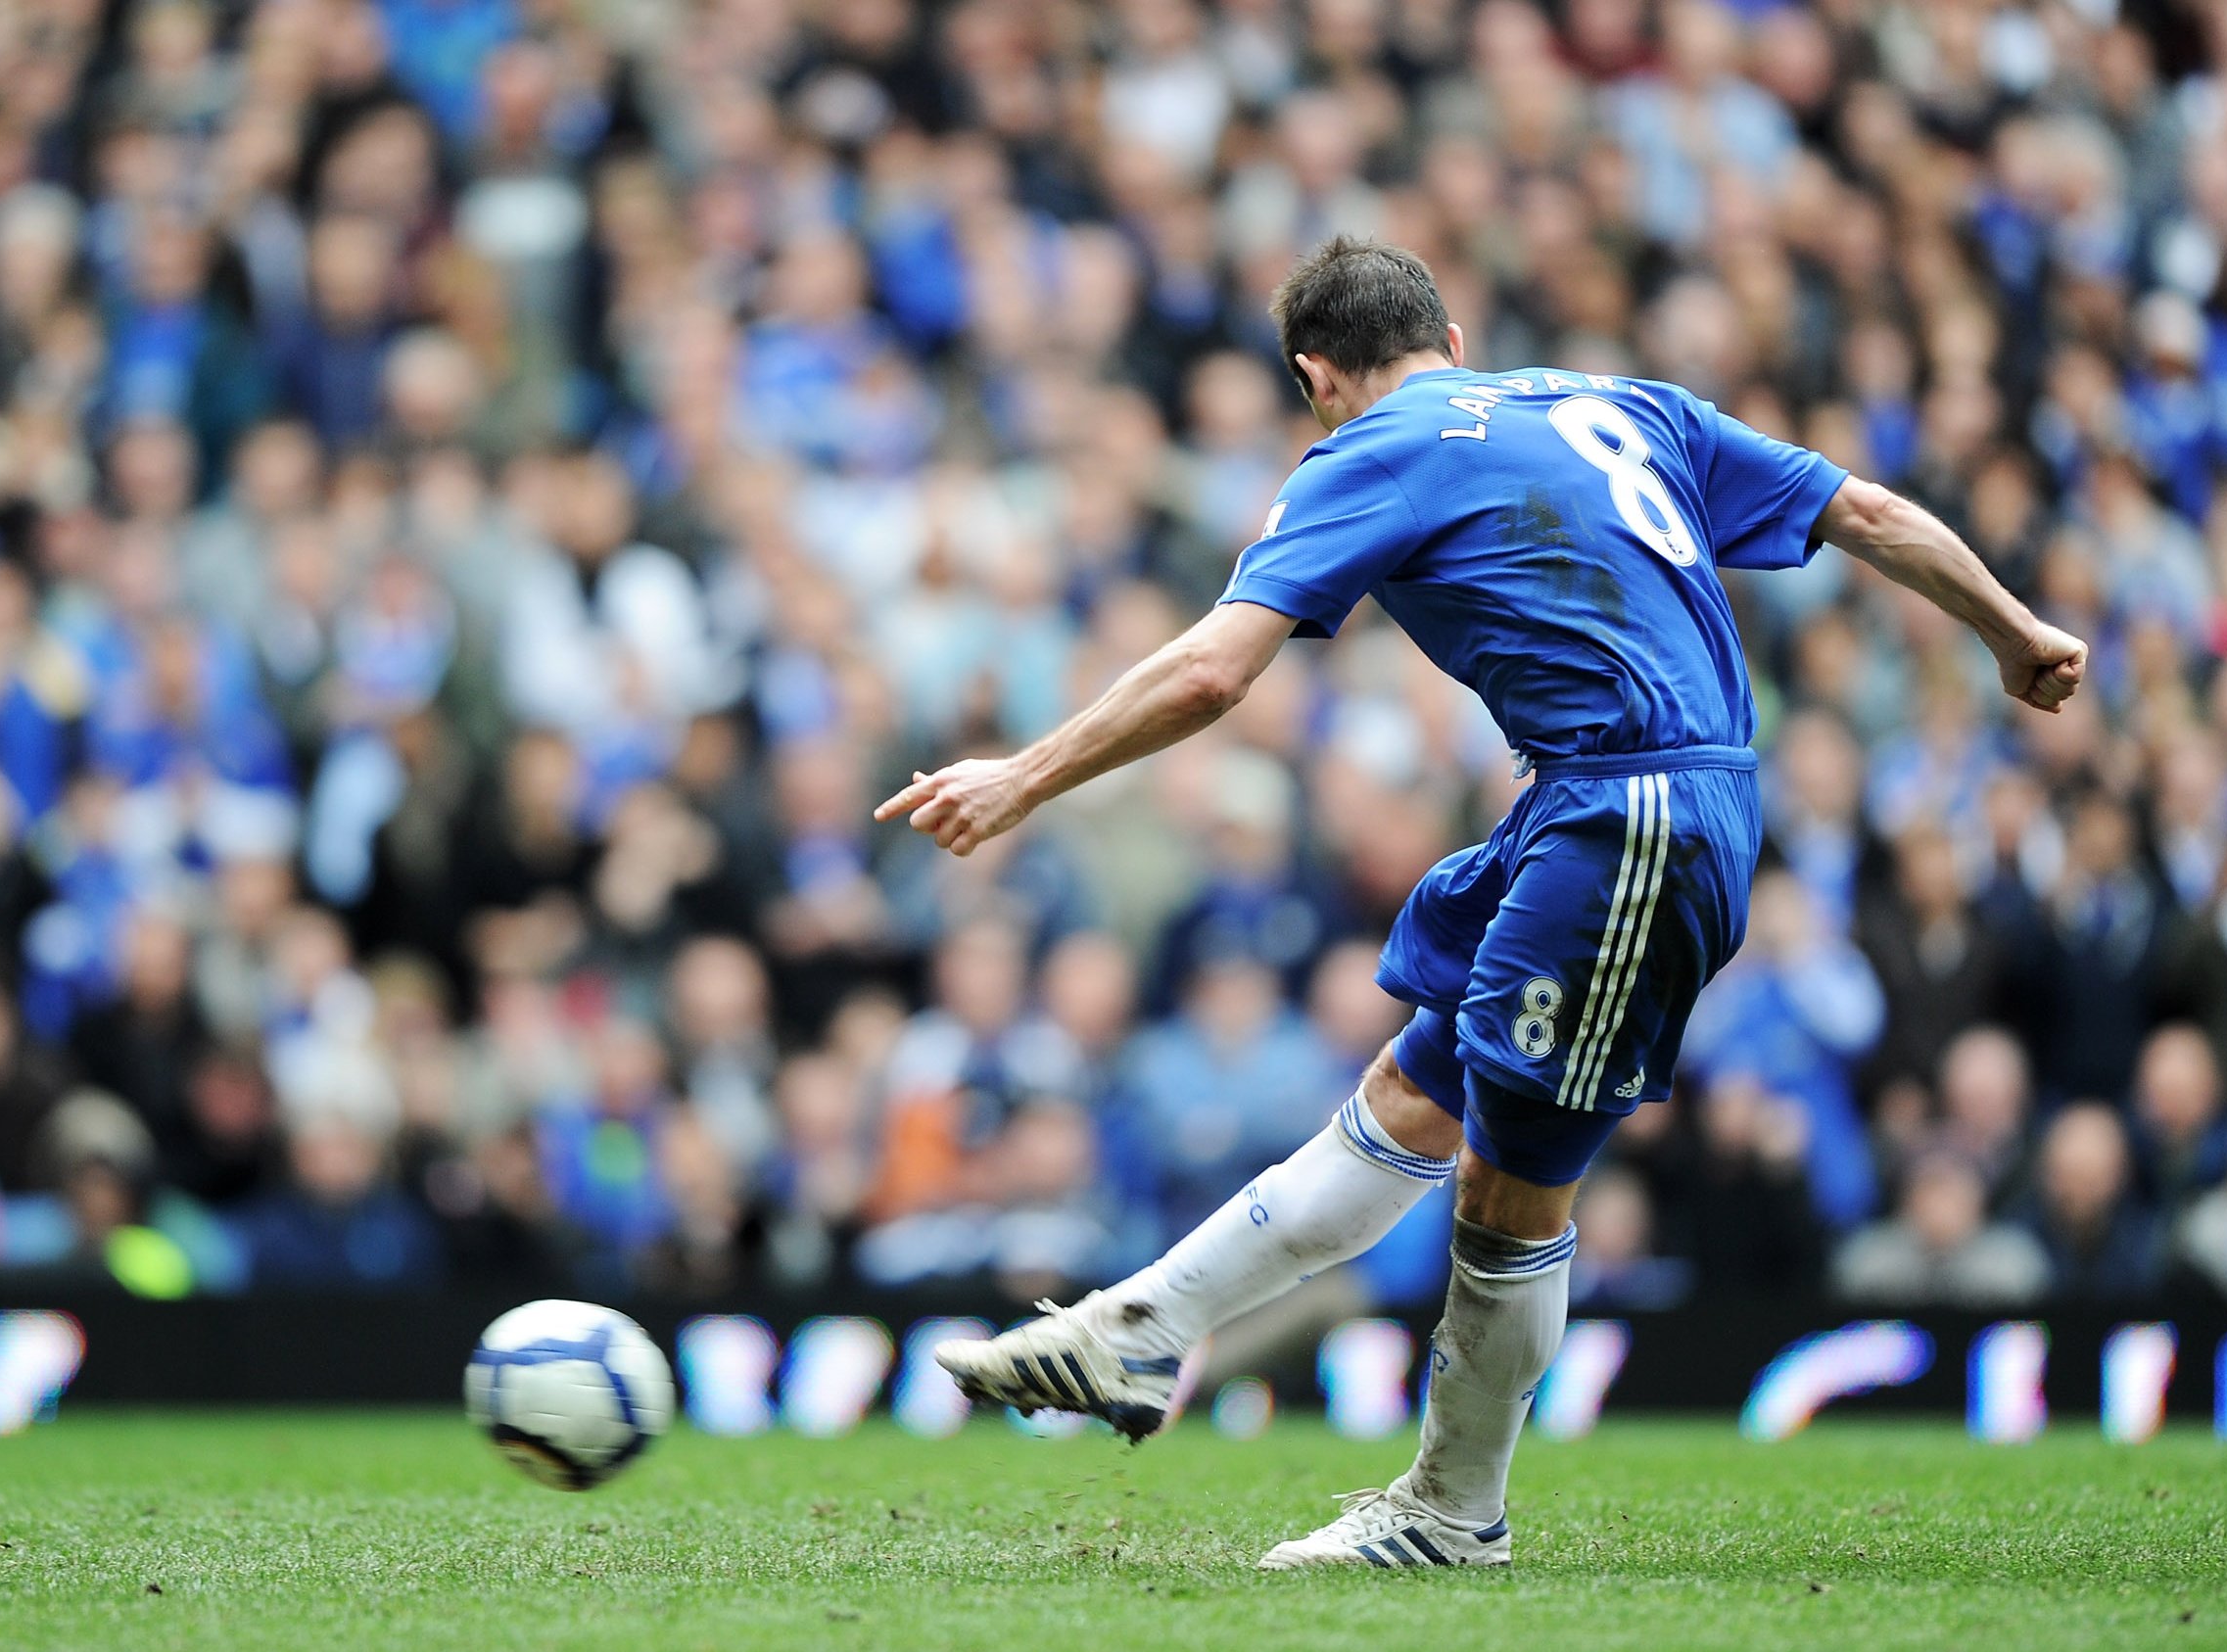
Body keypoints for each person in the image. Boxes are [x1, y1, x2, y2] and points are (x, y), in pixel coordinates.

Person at [877, 238, 2088, 1572]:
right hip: (1593, 803)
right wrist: (2014, 630)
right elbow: (1866, 511)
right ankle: (1134, 1336)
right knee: (1414, 1096)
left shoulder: (1370, 446)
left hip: (1632, 811)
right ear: (1452, 334)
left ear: (1315, 376)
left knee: (1511, 1185)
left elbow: (1216, 674)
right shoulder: (1620, 402)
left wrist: (1026, 778)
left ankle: (1456, 1515)